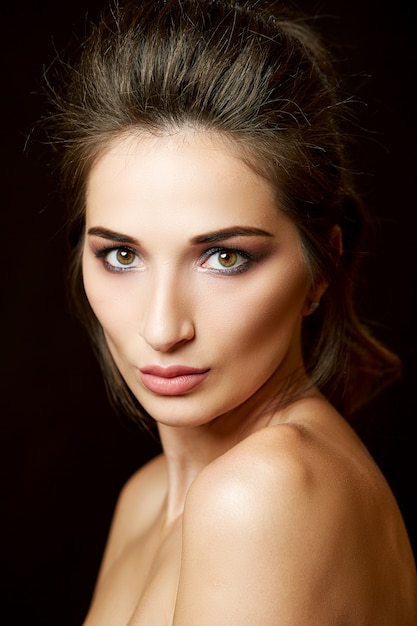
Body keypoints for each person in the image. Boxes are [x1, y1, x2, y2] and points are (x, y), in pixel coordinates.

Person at [44, 0, 417, 623]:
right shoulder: (146, 496)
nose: (161, 329)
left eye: (223, 257)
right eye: (120, 255)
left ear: (321, 268)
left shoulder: (264, 495)